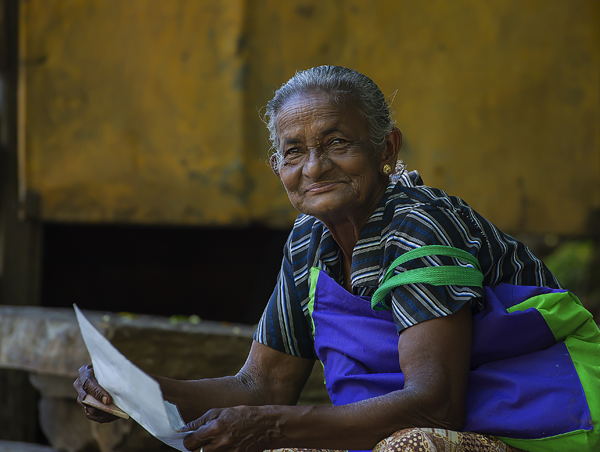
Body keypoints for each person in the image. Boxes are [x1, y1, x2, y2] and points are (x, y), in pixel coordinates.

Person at [74, 66, 596, 452]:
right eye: (294, 152)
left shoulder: (418, 224)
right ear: (276, 165)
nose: (315, 168)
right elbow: (262, 385)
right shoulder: (309, 242)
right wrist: (133, 390)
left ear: (386, 149)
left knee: (408, 448)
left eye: (338, 142)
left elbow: (438, 406)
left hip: (542, 423)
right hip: (416, 424)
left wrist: (276, 426)